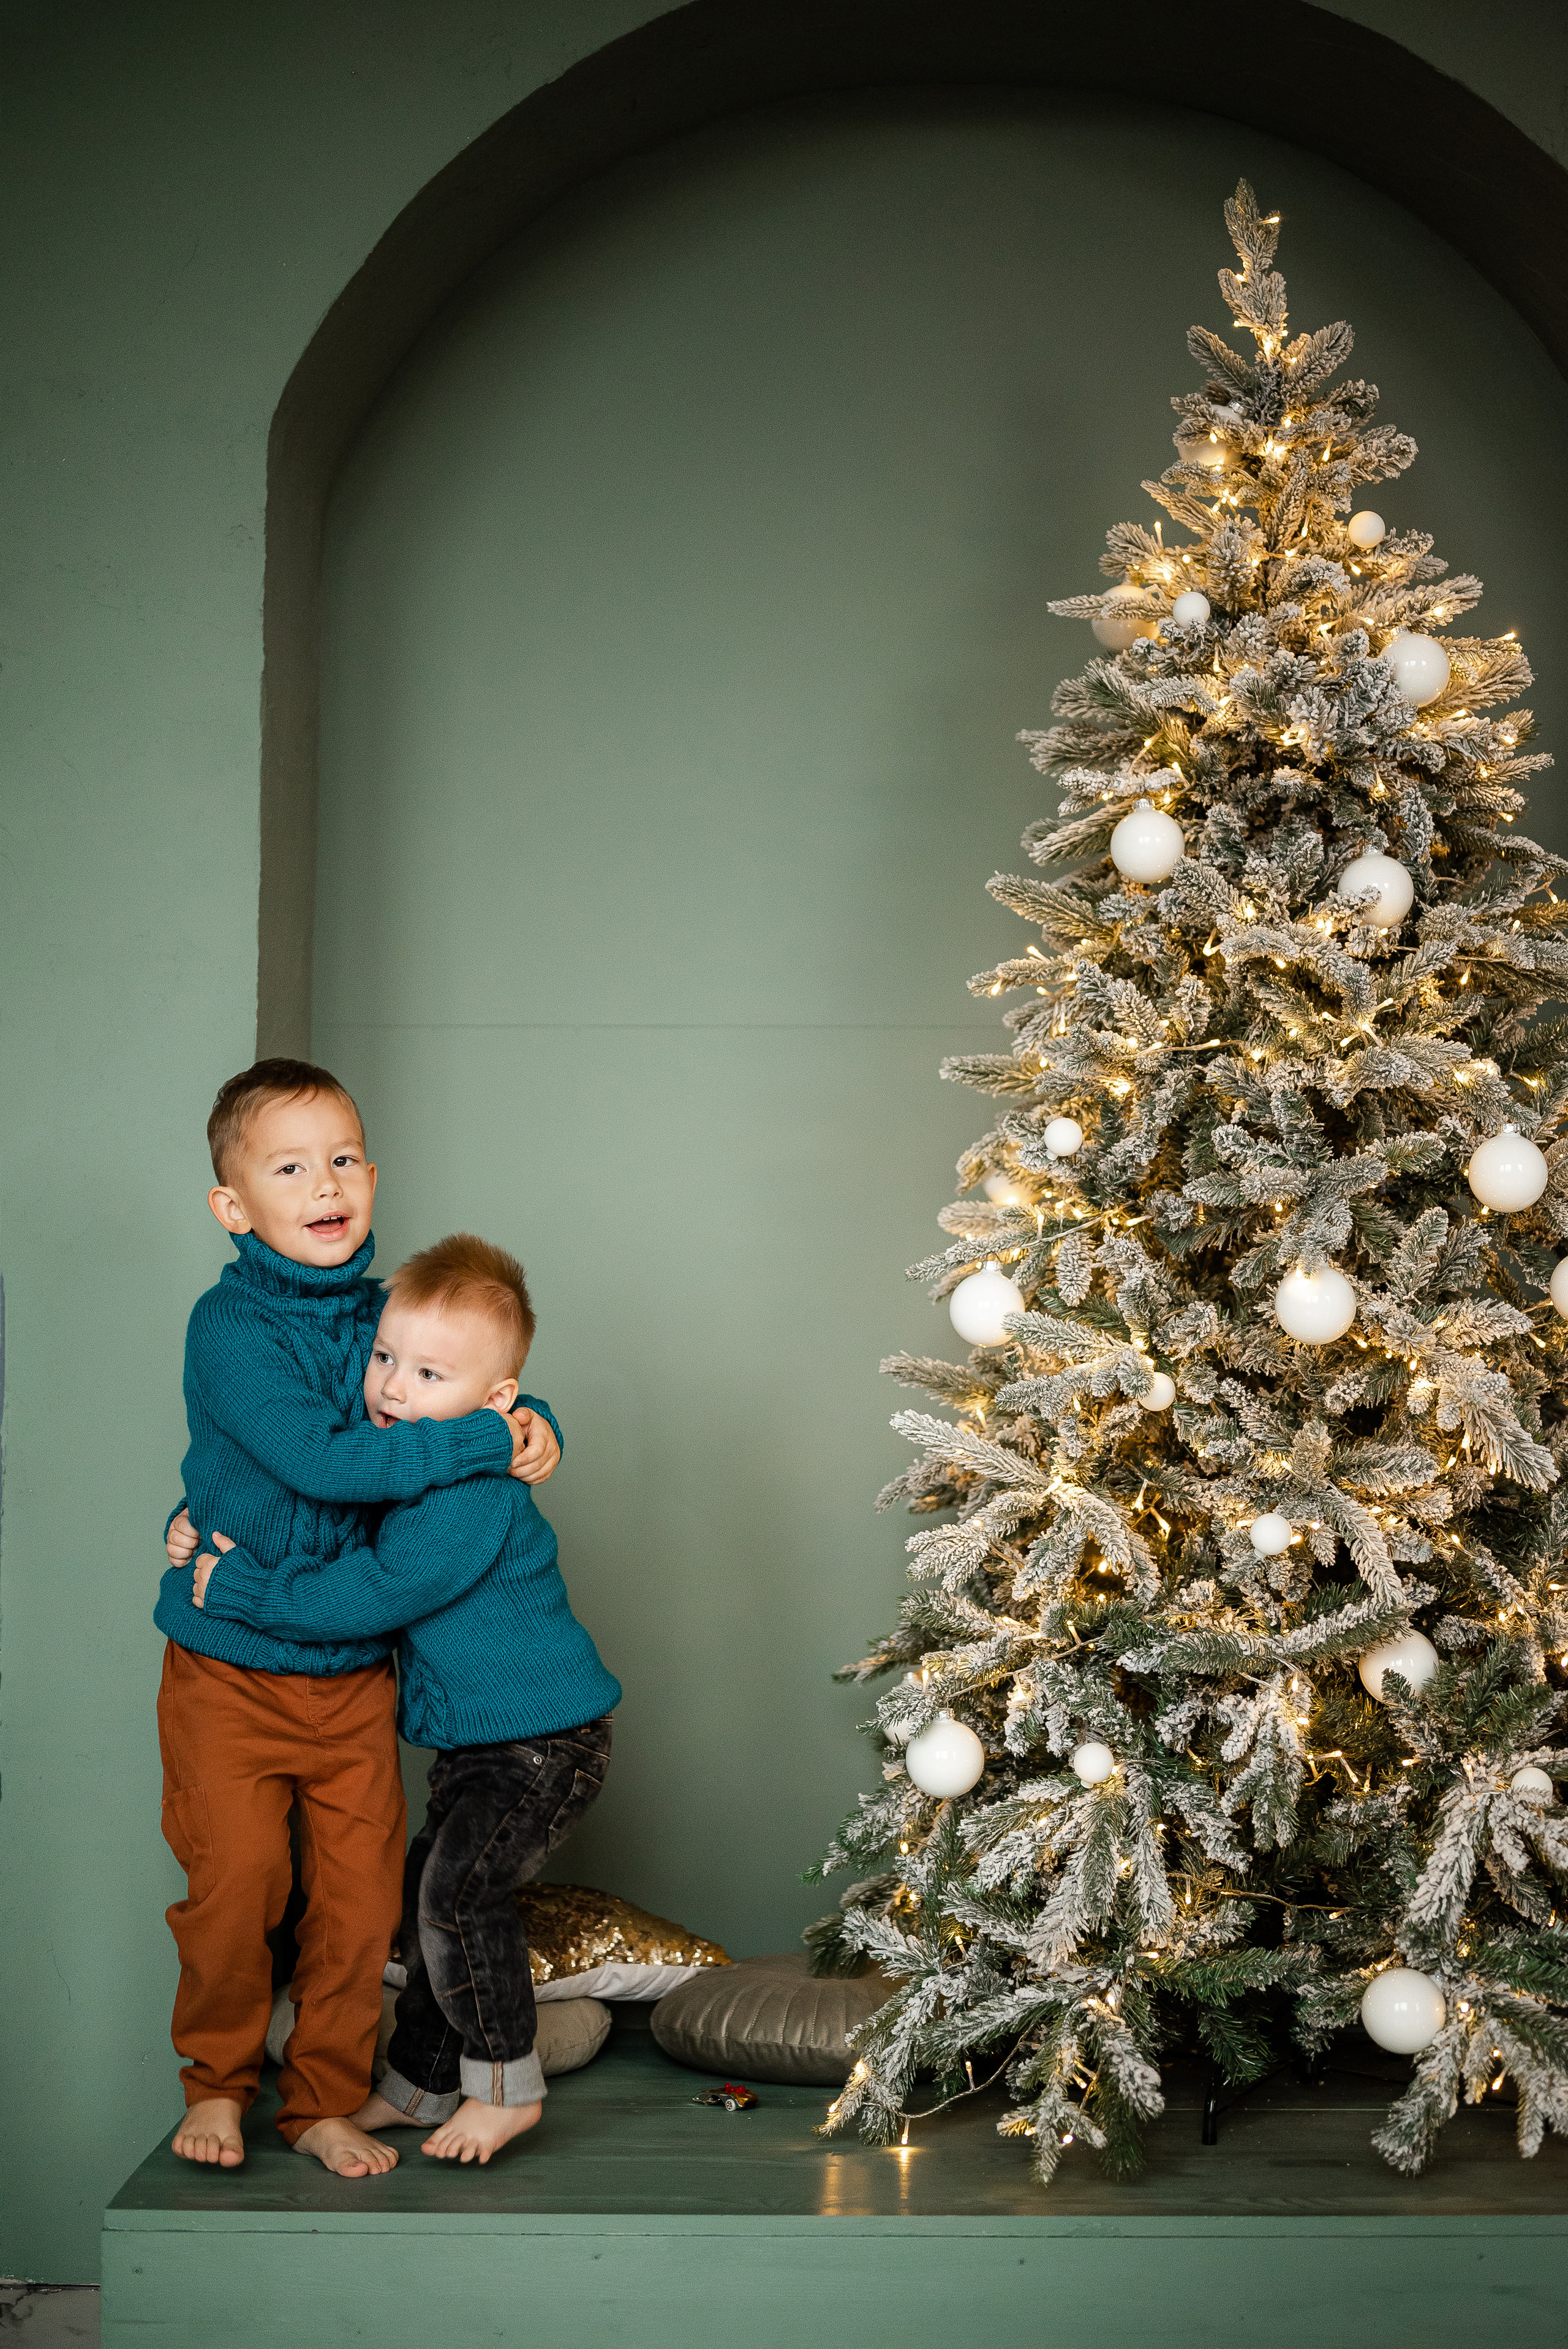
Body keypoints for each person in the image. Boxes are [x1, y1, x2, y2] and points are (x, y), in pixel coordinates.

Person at [156, 1059, 561, 2178]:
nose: (324, 1183)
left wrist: (532, 1415)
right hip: (229, 1667)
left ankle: (326, 2096)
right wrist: (494, 1437)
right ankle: (222, 2083)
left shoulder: (387, 1306)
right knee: (238, 1888)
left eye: (342, 1159)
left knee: (357, 1902)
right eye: (290, 1167)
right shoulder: (230, 1328)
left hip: (352, 1679)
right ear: (235, 1208)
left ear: (372, 1177)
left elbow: (465, 1364)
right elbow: (327, 1463)